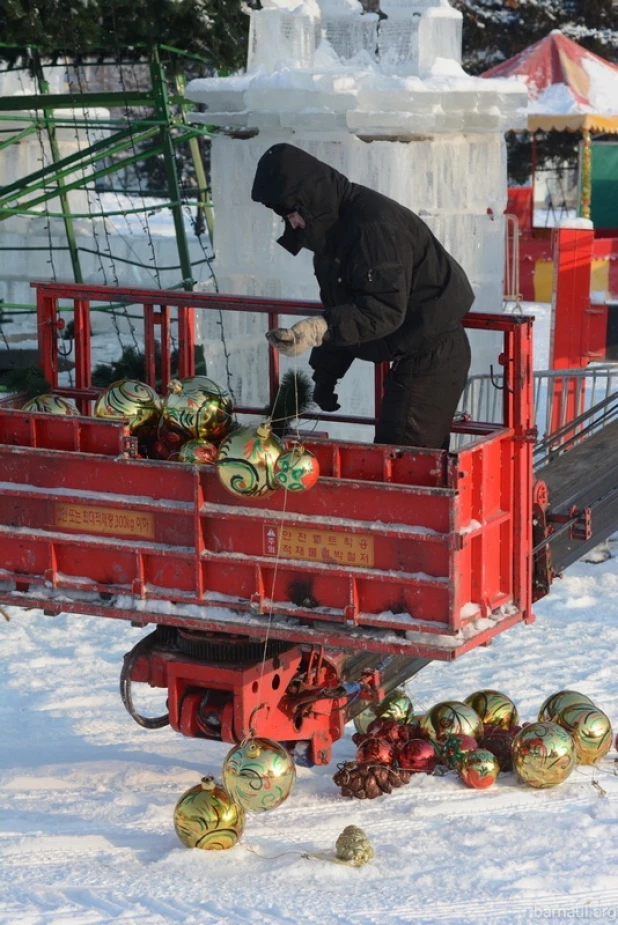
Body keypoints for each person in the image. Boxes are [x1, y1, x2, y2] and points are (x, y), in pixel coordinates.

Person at [251, 142, 474, 449]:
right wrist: (326, 373)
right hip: (409, 345)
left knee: (402, 458)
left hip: (432, 348)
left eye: (293, 214)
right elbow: (346, 307)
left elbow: (381, 309)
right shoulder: (332, 236)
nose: (292, 224)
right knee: (401, 456)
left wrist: (319, 329)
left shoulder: (373, 228)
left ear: (310, 201)